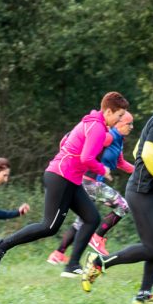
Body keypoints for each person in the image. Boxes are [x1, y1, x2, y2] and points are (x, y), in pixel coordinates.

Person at [0, 92, 130, 277]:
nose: (118, 121)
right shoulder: (97, 127)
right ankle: (1, 245)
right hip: (61, 177)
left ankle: (72, 266)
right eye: (118, 116)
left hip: (70, 178)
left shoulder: (90, 122)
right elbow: (87, 158)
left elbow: (65, 141)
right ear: (108, 111)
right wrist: (103, 170)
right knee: (49, 226)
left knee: (91, 218)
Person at [81, 80, 153, 304]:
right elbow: (148, 153)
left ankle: (144, 295)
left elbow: (137, 148)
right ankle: (100, 262)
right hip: (143, 192)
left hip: (149, 190)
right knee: (152, 247)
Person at [47, 111, 134, 268]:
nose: (132, 127)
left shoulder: (119, 140)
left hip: (89, 183)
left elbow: (121, 163)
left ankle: (58, 253)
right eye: (129, 124)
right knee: (123, 205)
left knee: (82, 221)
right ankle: (97, 237)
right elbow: (80, 141)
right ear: (119, 124)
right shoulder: (109, 136)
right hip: (89, 182)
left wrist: (140, 170)